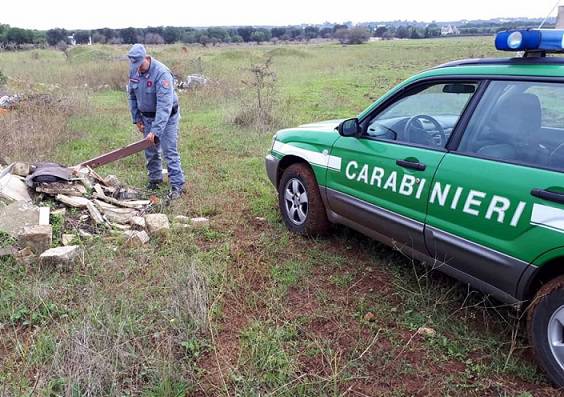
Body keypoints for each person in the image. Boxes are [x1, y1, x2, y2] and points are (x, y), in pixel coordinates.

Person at [126, 43, 185, 200]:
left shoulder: (161, 73)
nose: (138, 68)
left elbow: (164, 106)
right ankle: (155, 180)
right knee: (150, 149)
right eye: (135, 65)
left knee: (169, 150)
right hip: (146, 117)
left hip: (167, 118)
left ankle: (177, 186)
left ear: (146, 58)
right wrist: (136, 118)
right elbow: (131, 96)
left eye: (140, 64)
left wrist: (156, 131)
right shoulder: (133, 70)